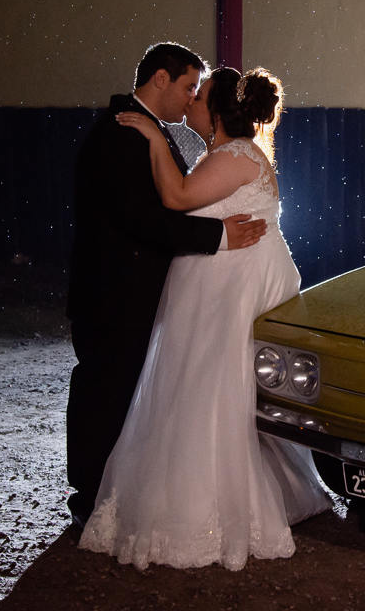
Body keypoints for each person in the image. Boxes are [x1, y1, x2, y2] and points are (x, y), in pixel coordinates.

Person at [79, 67, 331, 571]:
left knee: (209, 392)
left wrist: (154, 134)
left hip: (232, 287)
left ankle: (203, 512)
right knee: (197, 389)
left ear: (216, 112)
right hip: (216, 284)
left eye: (199, 95)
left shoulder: (236, 154)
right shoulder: (223, 154)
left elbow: (176, 199)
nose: (191, 101)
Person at [65, 43, 267, 527]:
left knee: (122, 398)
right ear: (160, 79)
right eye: (187, 87)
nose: (191, 97)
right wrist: (218, 234)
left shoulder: (148, 131)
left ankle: (109, 499)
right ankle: (89, 504)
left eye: (198, 90)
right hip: (114, 298)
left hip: (131, 295)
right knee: (104, 396)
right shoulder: (122, 133)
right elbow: (142, 219)